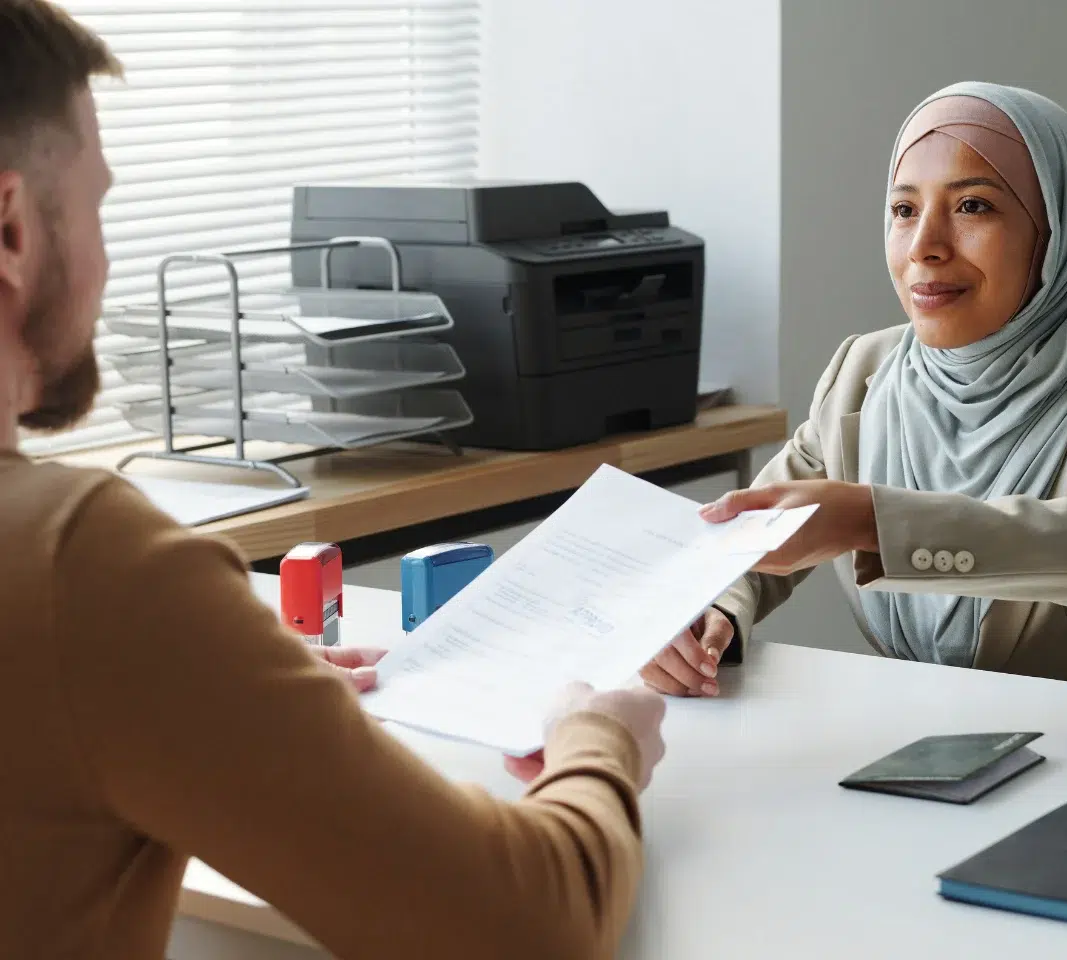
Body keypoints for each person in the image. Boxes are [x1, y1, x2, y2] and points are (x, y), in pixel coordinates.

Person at [0, 3, 666, 958]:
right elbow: (530, 926)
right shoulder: (82, 567)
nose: (107, 260)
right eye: (97, 205)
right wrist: (600, 741)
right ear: (14, 232)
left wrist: (218, 682)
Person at [643, 82, 1067, 698]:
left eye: (973, 206)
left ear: (1056, 230)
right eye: (904, 210)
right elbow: (755, 533)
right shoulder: (863, 372)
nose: (924, 247)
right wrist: (711, 612)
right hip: (914, 747)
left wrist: (874, 521)